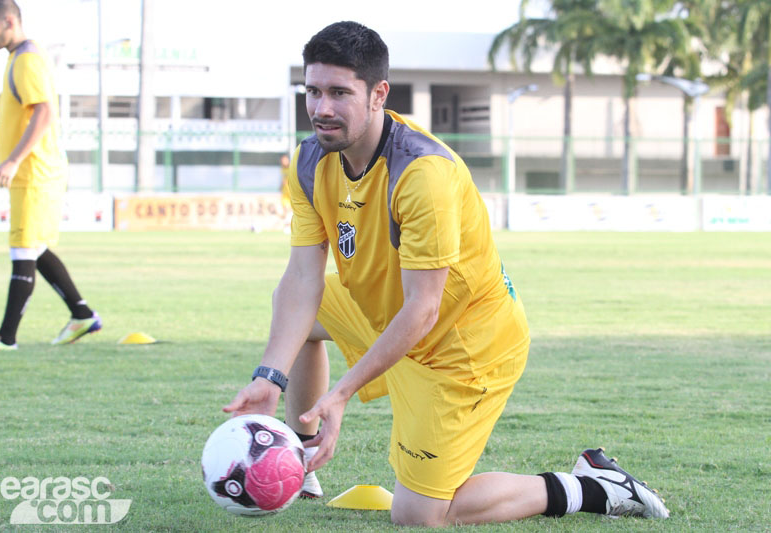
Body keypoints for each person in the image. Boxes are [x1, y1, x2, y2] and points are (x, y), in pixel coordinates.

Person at [224, 21, 669, 526]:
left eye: (340, 93)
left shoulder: (422, 174)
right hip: (388, 312)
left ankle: (591, 486)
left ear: (378, 94)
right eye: (314, 91)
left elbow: (424, 307)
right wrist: (269, 377)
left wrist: (342, 392)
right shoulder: (310, 161)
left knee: (418, 515)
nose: (322, 108)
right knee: (302, 314)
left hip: (460, 349)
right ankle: (298, 463)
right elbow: (302, 280)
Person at [0, 0, 101, 351]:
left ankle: (7, 339)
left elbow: (44, 113)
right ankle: (82, 314)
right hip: (32, 173)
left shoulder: (27, 59)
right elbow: (21, 110)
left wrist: (13, 161)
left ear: (9, 21)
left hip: (34, 172)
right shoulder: (20, 57)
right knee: (35, 247)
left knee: (22, 249)